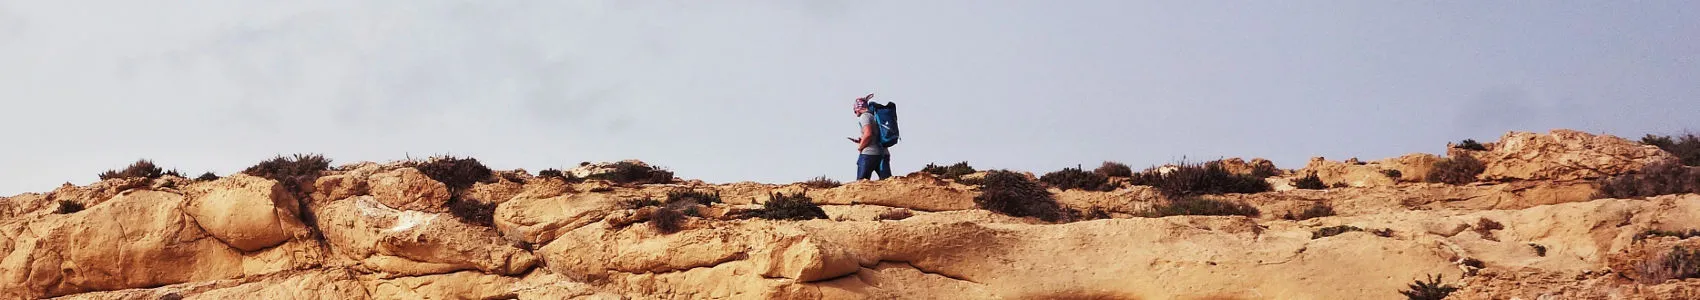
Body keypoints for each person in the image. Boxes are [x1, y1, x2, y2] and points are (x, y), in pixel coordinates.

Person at [849, 94, 892, 180]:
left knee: (862, 184)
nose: (855, 113)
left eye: (855, 110)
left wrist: (860, 147)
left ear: (858, 108)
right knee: (887, 182)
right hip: (884, 153)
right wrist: (862, 140)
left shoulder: (865, 116)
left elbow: (868, 134)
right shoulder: (875, 117)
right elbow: (875, 134)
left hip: (869, 154)